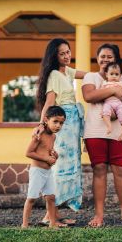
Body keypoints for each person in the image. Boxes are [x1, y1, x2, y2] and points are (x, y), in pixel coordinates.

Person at [82, 43, 122, 228]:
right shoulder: (90, 76)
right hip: (94, 131)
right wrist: (115, 90)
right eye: (102, 56)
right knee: (99, 170)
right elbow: (89, 96)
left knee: (121, 171)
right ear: (97, 58)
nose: (105, 59)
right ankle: (99, 215)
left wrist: (120, 100)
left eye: (110, 56)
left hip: (118, 132)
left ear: (115, 59)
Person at [34, 38, 86, 226]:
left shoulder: (68, 72)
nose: (67, 56)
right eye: (62, 53)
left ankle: (55, 214)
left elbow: (88, 75)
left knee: (69, 168)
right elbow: (49, 102)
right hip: (63, 128)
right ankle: (49, 216)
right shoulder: (55, 74)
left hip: (72, 127)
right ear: (54, 56)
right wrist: (42, 124)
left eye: (68, 52)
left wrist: (111, 75)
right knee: (59, 169)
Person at [22, 106, 67, 229]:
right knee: (31, 198)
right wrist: (46, 159)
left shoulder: (53, 136)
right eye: (55, 122)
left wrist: (54, 155)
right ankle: (24, 224)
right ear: (46, 120)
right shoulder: (39, 134)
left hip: (48, 172)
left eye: (61, 123)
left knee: (51, 197)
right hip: (37, 171)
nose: (58, 126)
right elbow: (29, 153)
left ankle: (52, 223)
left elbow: (48, 151)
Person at [101, 62, 122, 141]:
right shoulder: (104, 84)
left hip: (119, 103)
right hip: (108, 103)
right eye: (111, 74)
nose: (114, 76)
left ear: (120, 75)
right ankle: (109, 126)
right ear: (106, 74)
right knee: (105, 112)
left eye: (116, 74)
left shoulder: (121, 84)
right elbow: (101, 93)